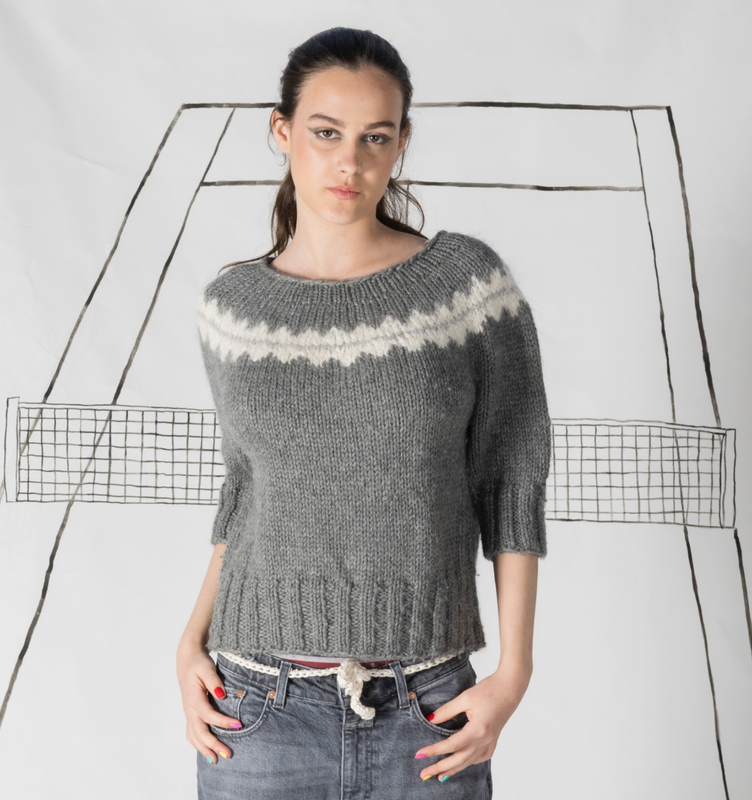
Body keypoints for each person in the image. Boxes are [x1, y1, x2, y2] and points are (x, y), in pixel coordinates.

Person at [176, 26, 552, 800]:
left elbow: (511, 474)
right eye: (326, 133)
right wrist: (189, 641)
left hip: (428, 708)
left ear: (401, 143)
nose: (350, 162)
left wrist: (514, 672)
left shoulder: (466, 287)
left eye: (375, 137)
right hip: (255, 708)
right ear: (282, 132)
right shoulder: (231, 307)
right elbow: (246, 490)